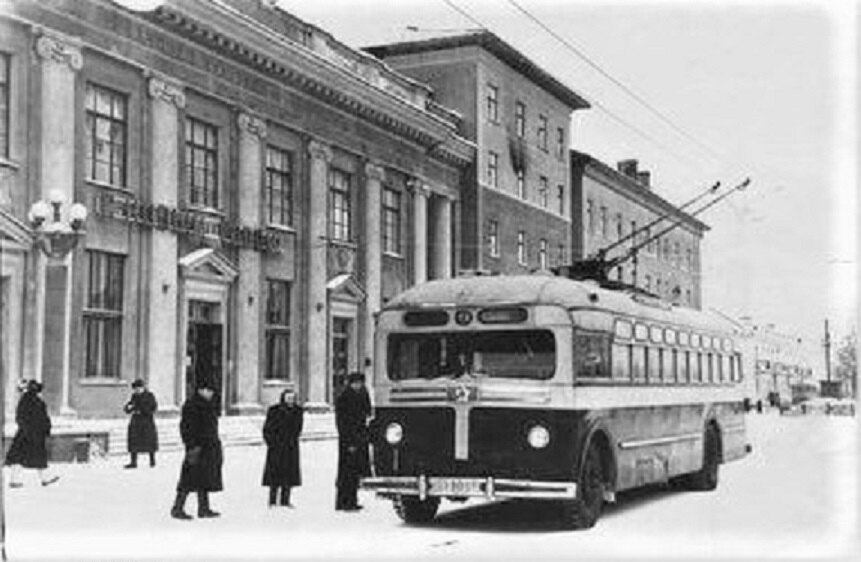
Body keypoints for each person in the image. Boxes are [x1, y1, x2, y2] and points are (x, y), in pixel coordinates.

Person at [171, 381, 223, 520]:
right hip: (196, 448)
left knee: (204, 479)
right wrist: (191, 445)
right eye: (209, 390)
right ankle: (177, 508)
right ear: (201, 390)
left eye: (212, 391)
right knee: (188, 479)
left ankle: (203, 508)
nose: (211, 393)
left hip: (208, 448)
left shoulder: (209, 405)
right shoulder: (192, 405)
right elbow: (186, 427)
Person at [5, 380, 59, 488]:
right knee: (21, 457)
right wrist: (27, 429)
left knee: (34, 457)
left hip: (34, 434)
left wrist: (46, 429)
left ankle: (45, 478)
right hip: (28, 434)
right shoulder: (28, 400)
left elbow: (43, 417)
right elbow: (20, 417)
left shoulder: (35, 400)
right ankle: (15, 480)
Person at [334, 372, 371, 511]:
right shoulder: (344, 397)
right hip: (348, 439)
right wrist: (349, 442)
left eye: (360, 383)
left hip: (359, 438)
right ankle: (343, 502)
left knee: (355, 472)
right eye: (355, 383)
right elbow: (341, 422)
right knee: (346, 473)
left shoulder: (362, 395)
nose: (358, 385)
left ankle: (352, 500)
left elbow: (367, 413)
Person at [262, 389, 304, 508]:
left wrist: (293, 438)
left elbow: (298, 428)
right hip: (276, 447)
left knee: (289, 475)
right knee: (274, 475)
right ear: (283, 398)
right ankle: (272, 500)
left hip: (290, 447)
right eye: (288, 398)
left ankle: (285, 500)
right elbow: (267, 428)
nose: (290, 400)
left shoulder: (298, 411)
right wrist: (271, 442)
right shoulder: (274, 410)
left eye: (292, 398)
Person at [123, 379, 159, 468]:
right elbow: (128, 407)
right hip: (136, 422)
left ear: (143, 388)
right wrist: (128, 408)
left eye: (139, 388)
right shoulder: (134, 396)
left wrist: (142, 409)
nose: (137, 390)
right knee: (134, 441)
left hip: (147, 422)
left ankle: (152, 461)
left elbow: (153, 407)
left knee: (149, 441)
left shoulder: (149, 396)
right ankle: (133, 462)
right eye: (135, 389)